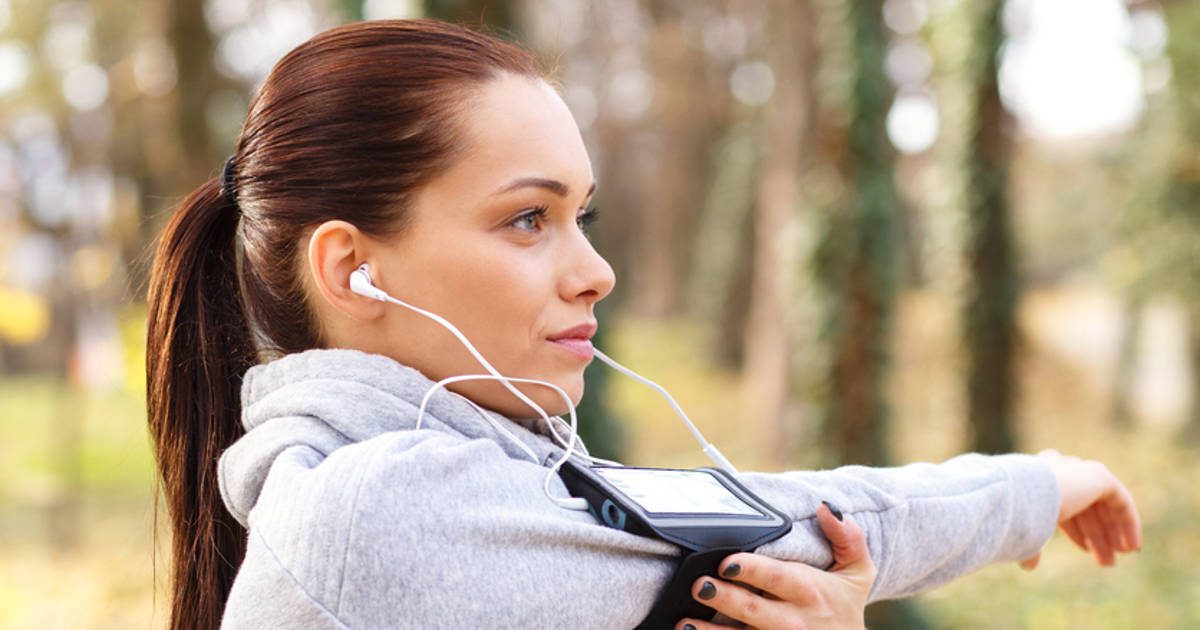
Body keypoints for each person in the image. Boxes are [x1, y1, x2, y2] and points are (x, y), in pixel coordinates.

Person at [145, 19, 1141, 630]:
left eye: (584, 218)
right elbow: (798, 523)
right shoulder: (377, 513)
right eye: (527, 219)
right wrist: (1038, 485)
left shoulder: (463, 491)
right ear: (353, 268)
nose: (596, 272)